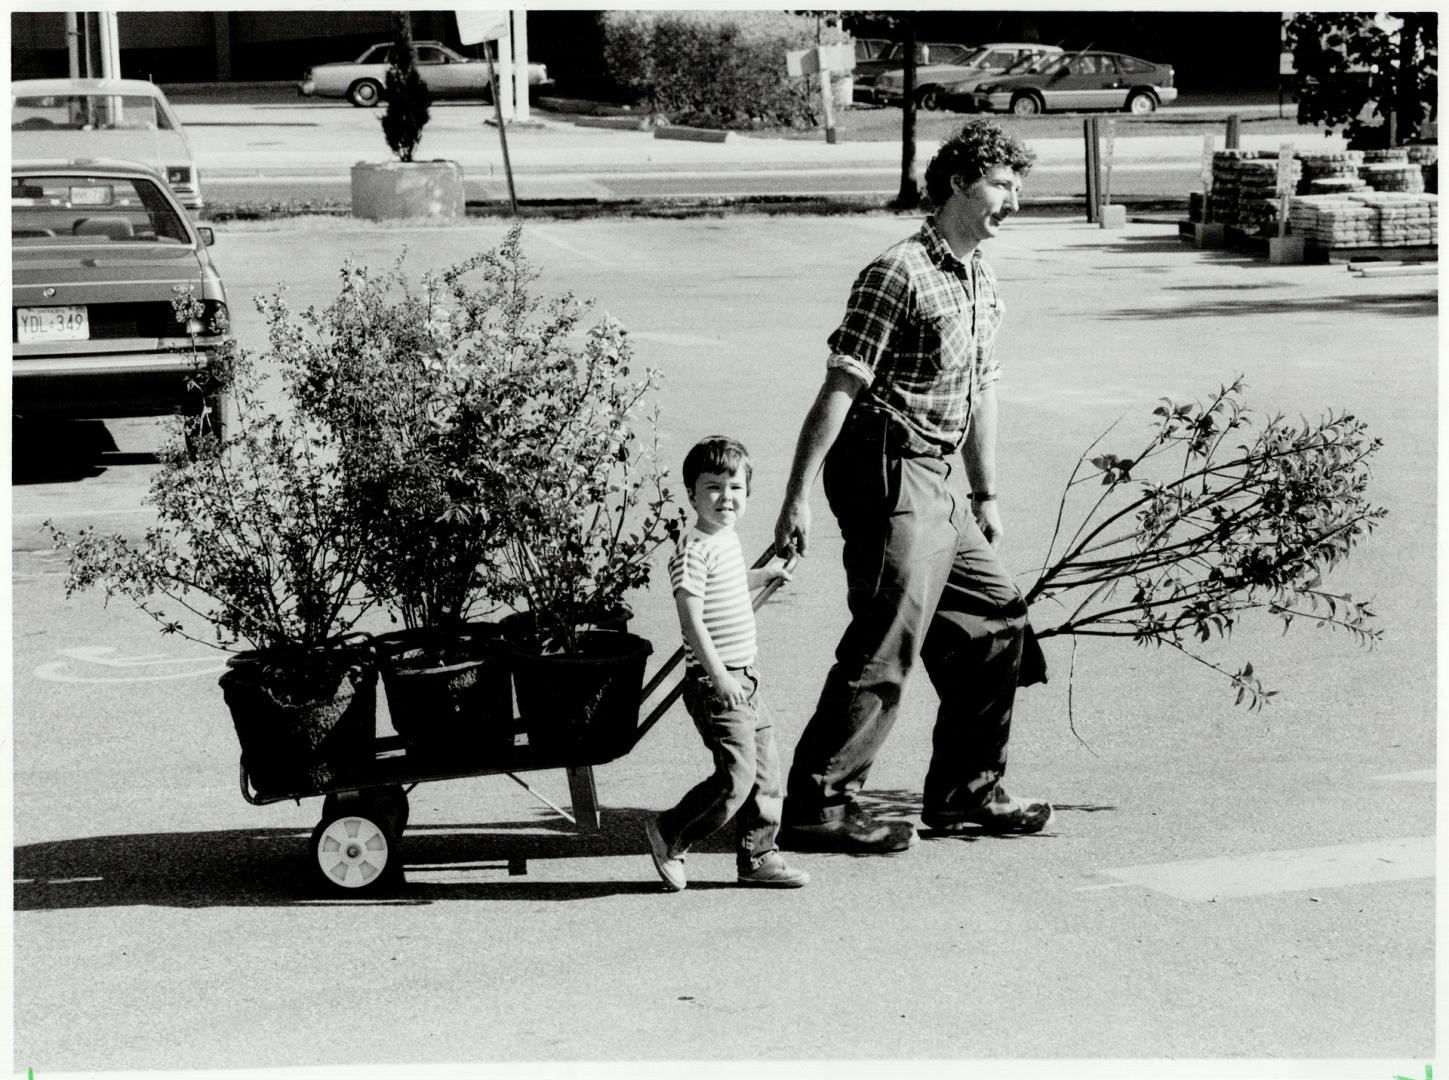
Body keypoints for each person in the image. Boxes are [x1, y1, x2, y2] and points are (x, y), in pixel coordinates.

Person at [772, 118, 1053, 855]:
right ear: (957, 183)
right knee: (887, 637)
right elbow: (838, 388)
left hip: (936, 480)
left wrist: (985, 496)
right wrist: (794, 497)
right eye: (1000, 185)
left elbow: (981, 392)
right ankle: (817, 805)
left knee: (996, 621)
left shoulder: (981, 281)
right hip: (883, 466)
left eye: (1018, 187)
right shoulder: (895, 272)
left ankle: (966, 794)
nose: (1013, 203)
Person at [645, 435, 810, 890]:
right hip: (716, 683)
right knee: (734, 780)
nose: (726, 497)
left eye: (735, 488)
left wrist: (764, 575)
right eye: (713, 487)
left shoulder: (726, 541)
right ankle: (670, 832)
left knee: (766, 772)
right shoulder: (693, 549)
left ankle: (758, 857)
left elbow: (731, 581)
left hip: (746, 678)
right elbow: (691, 619)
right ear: (692, 493)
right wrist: (719, 676)